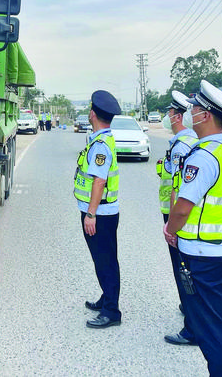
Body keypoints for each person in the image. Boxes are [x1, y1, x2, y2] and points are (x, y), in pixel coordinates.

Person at [164, 80, 222, 376]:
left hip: (202, 254)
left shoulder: (203, 157)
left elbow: (183, 206)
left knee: (212, 330)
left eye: (195, 108)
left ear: (206, 116)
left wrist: (171, 230)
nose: (190, 113)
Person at [74, 90, 122, 328]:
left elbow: (99, 181)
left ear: (92, 114)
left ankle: (112, 311)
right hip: (99, 211)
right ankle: (106, 298)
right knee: (102, 259)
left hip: (100, 214)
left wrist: (90, 214)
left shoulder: (101, 145)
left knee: (106, 260)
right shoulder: (99, 139)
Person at [156, 91, 198, 346]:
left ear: (178, 116)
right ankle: (189, 306)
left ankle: (192, 328)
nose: (167, 117)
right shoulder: (186, 141)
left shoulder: (182, 144)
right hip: (178, 213)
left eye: (170, 113)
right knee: (185, 267)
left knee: (182, 268)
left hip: (176, 215)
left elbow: (178, 186)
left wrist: (172, 223)